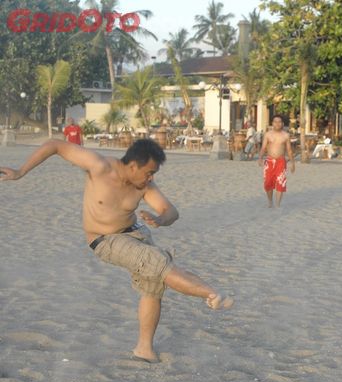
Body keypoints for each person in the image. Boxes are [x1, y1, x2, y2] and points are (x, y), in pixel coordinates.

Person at [0, 139, 234, 364]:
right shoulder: (99, 166)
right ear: (133, 165)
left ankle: (144, 349)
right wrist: (21, 172)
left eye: (154, 174)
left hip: (135, 232)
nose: (151, 178)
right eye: (149, 172)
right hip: (104, 240)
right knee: (158, 261)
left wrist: (160, 219)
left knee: (153, 285)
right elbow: (55, 145)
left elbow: (171, 211)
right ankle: (211, 294)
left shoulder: (144, 185)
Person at [259, 114, 295, 207]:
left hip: (281, 161)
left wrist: (292, 163)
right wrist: (260, 158)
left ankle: (278, 204)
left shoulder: (286, 135)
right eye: (275, 122)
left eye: (279, 122)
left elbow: (289, 150)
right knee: (268, 183)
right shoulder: (268, 134)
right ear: (272, 123)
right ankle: (270, 201)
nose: (277, 124)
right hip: (269, 161)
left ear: (282, 123)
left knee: (280, 182)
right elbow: (263, 148)